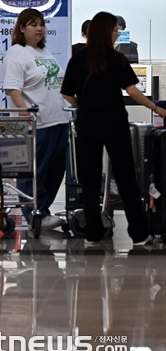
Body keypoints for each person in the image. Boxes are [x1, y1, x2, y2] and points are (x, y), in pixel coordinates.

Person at [61, 12, 164, 245]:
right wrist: (157, 109)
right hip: (114, 122)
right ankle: (138, 233)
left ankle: (93, 234)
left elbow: (66, 93)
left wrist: (84, 106)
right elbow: (132, 91)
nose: (117, 33)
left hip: (87, 123)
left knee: (90, 177)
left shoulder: (77, 59)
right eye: (115, 30)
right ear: (106, 31)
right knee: (126, 176)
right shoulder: (116, 59)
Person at [2, 8, 70, 231]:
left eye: (41, 24)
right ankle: (34, 214)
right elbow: (13, 88)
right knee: (35, 171)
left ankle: (44, 211)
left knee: (55, 170)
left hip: (58, 119)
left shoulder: (44, 52)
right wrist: (23, 112)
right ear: (22, 28)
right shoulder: (17, 53)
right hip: (37, 122)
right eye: (33, 24)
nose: (39, 28)